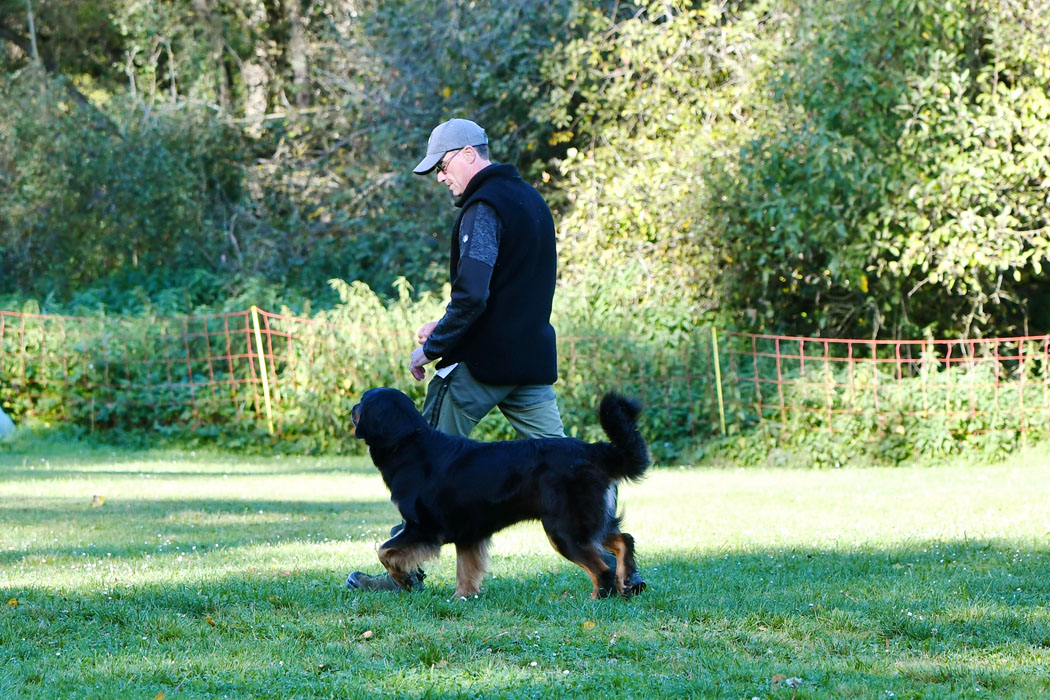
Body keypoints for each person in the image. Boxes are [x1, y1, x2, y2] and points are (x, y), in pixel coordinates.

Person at [346, 118, 642, 593]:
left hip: (482, 365)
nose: (441, 179)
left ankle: (407, 572)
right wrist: (442, 325)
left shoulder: (483, 208)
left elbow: (474, 297)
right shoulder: (532, 201)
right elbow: (509, 293)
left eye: (442, 167)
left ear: (467, 154)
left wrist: (433, 346)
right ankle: (614, 555)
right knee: (568, 473)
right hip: (532, 363)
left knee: (430, 469)